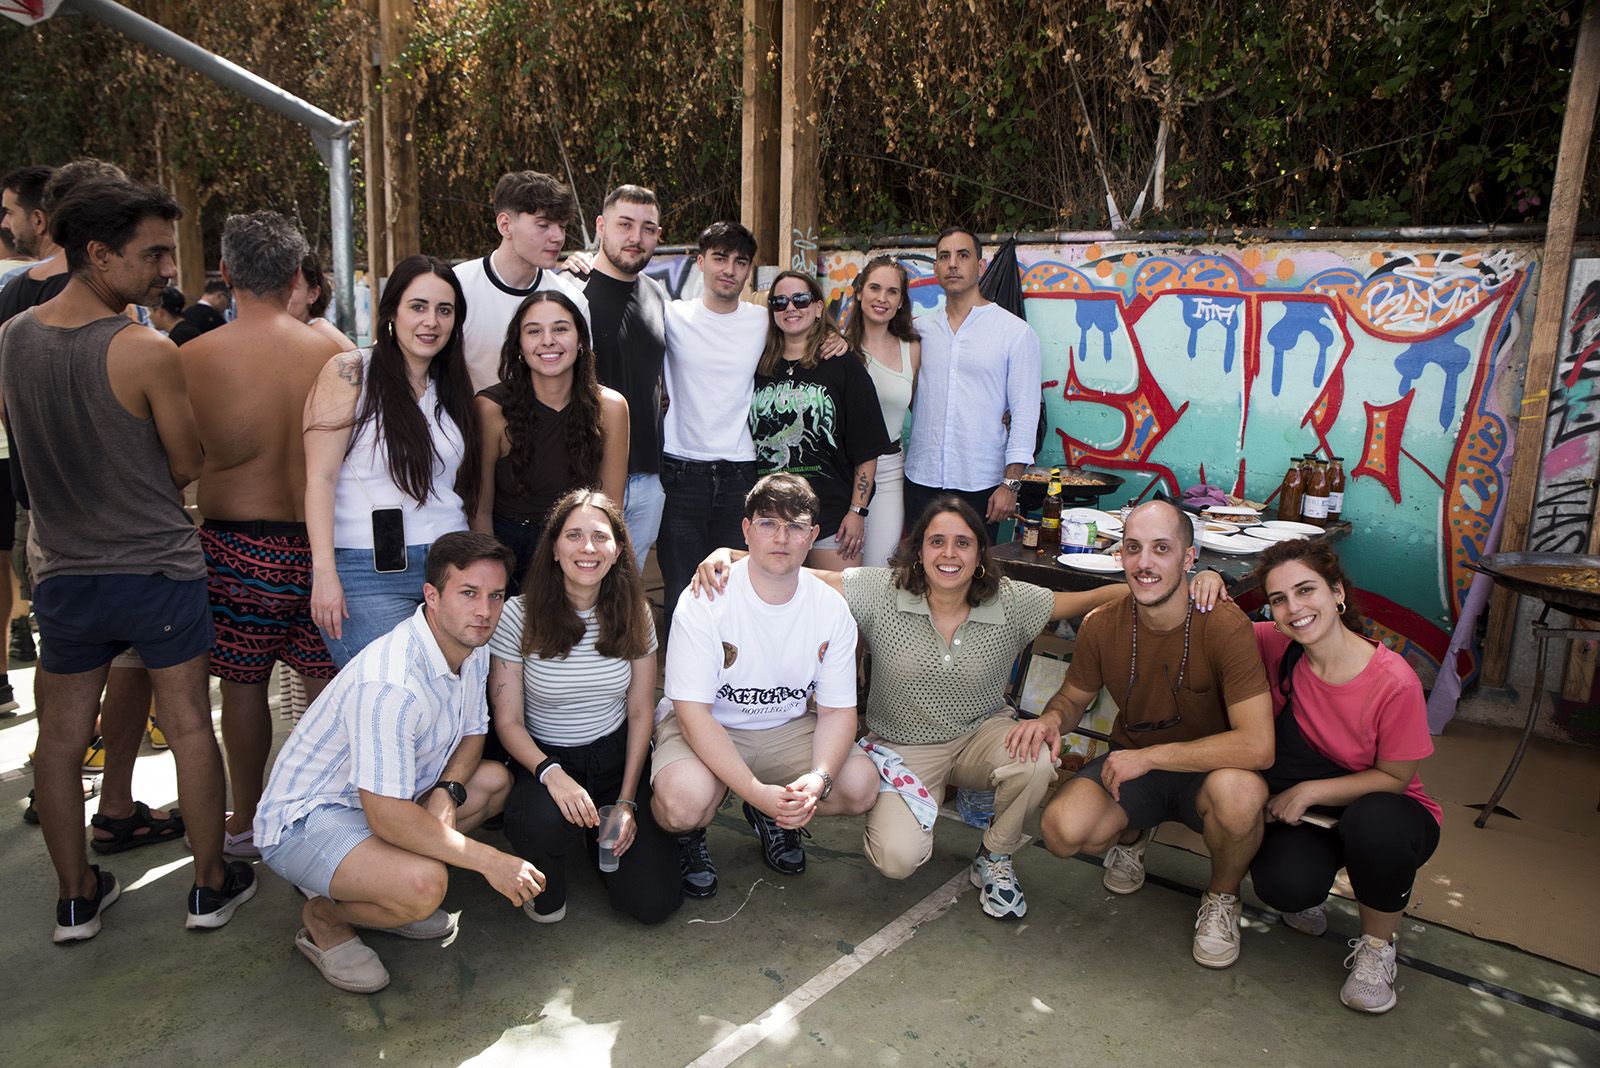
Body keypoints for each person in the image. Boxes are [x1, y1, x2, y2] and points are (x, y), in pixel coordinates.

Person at [694, 498, 1227, 919]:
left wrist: (1169, 579)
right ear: (918, 549)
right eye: (937, 542)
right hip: (901, 748)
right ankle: (871, 816)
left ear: (979, 553)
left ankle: (994, 856)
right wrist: (728, 556)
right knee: (898, 861)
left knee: (1036, 755)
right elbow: (813, 574)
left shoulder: (1009, 599)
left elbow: (1077, 601)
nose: (949, 554)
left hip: (980, 737)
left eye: (963, 543)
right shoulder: (880, 591)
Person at [0, 178, 255, 941]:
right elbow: (184, 465)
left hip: (65, 572)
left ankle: (76, 897)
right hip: (157, 571)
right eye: (151, 255)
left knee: (60, 738)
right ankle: (210, 885)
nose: (166, 269)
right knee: (188, 731)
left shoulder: (13, 339)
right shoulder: (142, 347)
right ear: (97, 254)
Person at [255, 532, 536, 995]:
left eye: (495, 595)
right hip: (307, 819)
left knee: (492, 781)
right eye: (468, 593)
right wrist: (492, 861)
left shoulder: (473, 644)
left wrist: (446, 795)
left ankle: (379, 888)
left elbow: (473, 731)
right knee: (425, 887)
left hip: (384, 802)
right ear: (431, 595)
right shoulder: (391, 684)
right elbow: (385, 816)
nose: (484, 610)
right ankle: (324, 917)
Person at [1010, 499, 1274, 968]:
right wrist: (1051, 720)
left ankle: (1222, 897)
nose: (1145, 563)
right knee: (1062, 830)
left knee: (1240, 795)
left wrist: (1151, 758)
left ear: (1189, 559)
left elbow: (1258, 745)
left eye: (1161, 549)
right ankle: (1133, 838)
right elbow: (1074, 696)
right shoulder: (1102, 625)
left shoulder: (1225, 624)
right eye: (1133, 548)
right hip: (1134, 768)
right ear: (1121, 557)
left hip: (1207, 774)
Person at [179, 211, 345, 859]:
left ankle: (245, 821)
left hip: (233, 546)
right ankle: (327, 806)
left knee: (242, 689)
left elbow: (181, 458)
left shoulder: (190, 358)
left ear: (225, 273)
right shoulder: (333, 352)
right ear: (298, 275)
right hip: (317, 546)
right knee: (325, 683)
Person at [654, 473, 878, 896]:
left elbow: (836, 712)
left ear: (812, 536)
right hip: (710, 726)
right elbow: (693, 713)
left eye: (795, 526)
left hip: (783, 729)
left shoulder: (831, 608)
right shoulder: (704, 598)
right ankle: (691, 835)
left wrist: (818, 779)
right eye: (768, 523)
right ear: (745, 529)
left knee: (859, 784)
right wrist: (756, 791)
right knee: (681, 803)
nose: (781, 537)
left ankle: (775, 818)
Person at [1247, 538, 1441, 1014]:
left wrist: (1309, 790)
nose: (1294, 609)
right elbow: (1210, 620)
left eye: (1306, 590)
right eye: (1278, 600)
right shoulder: (1277, 643)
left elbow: (1395, 777)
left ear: (1337, 593)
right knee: (1283, 887)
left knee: (1374, 825)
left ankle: (1377, 949)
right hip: (1318, 817)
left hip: (1390, 811)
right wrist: (1205, 581)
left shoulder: (1393, 681)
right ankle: (1315, 879)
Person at [490, 490, 680, 924]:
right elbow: (508, 721)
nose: (587, 548)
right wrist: (552, 775)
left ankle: (601, 840)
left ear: (617, 550)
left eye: (600, 536)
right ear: (554, 548)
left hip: (615, 762)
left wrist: (629, 801)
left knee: (653, 904)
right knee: (540, 825)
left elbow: (639, 713)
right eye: (573, 535)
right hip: (545, 761)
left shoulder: (636, 612)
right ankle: (553, 860)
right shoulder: (517, 616)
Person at [305, 255, 479, 667]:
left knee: (447, 702)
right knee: (386, 696)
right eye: (417, 307)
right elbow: (320, 478)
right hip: (367, 571)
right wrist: (324, 572)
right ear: (392, 312)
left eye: (444, 310)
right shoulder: (350, 372)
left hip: (450, 565)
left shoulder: (454, 384)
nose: (431, 321)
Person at [470, 291, 627, 592]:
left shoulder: (611, 408)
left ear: (580, 340)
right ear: (519, 345)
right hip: (509, 549)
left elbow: (612, 510)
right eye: (533, 331)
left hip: (582, 549)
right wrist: (492, 574)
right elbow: (479, 510)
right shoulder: (491, 409)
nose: (548, 341)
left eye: (560, 328)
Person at [903, 227, 1041, 537]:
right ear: (936, 268)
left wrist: (1011, 484)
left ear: (980, 266)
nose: (953, 264)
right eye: (944, 257)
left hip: (981, 484)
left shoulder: (1014, 333)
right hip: (921, 480)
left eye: (963, 255)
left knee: (976, 577)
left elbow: (1025, 413)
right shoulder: (919, 331)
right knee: (917, 571)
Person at [750, 270, 889, 570]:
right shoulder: (756, 363)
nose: (790, 308)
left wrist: (857, 512)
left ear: (817, 308)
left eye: (800, 300)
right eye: (779, 302)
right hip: (771, 518)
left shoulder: (843, 364)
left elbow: (867, 449)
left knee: (839, 604)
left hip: (833, 518)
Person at [582, 184, 669, 566]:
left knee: (626, 597)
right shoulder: (570, 292)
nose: (636, 238)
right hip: (587, 476)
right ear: (601, 225)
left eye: (648, 228)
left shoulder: (658, 295)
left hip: (649, 478)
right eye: (625, 225)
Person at [455, 170, 590, 393]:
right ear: (505, 225)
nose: (558, 237)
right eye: (543, 224)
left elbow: (580, 384)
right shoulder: (457, 288)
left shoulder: (571, 300)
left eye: (562, 226)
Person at [843, 256, 919, 567]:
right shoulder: (837, 347)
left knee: (878, 571)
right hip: (842, 469)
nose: (882, 298)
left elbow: (929, 403)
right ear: (859, 292)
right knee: (839, 570)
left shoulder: (912, 348)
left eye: (892, 291)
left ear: (901, 301)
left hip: (888, 470)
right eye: (874, 288)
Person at [288, 253, 354, 347]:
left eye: (293, 287)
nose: (283, 293)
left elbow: (356, 357)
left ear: (312, 295)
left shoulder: (321, 330)